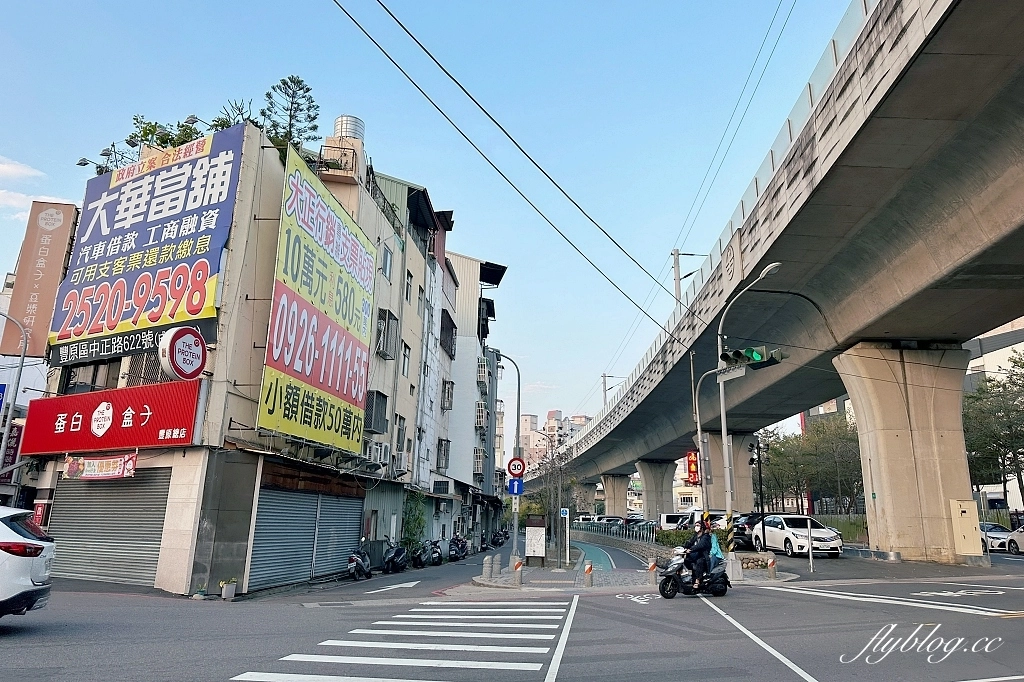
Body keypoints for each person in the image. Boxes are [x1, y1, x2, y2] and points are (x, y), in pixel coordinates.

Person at [683, 521, 712, 587]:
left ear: (702, 527)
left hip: (704, 556)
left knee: (699, 562)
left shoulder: (706, 537)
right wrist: (683, 548)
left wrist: (691, 549)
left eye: (698, 525)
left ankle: (698, 580)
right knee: (685, 560)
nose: (696, 527)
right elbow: (690, 542)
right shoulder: (696, 536)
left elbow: (700, 545)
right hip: (696, 555)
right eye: (695, 525)